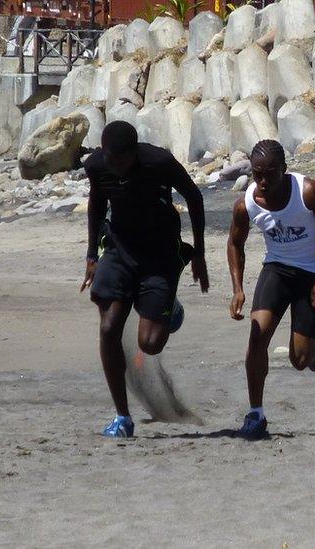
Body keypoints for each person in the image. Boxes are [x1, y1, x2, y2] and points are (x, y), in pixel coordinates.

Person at [81, 121, 210, 438]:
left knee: (150, 344)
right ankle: (122, 417)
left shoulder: (159, 162)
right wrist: (91, 256)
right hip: (120, 248)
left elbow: (194, 197)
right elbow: (97, 203)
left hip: (161, 253)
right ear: (105, 153)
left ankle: (171, 309)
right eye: (112, 160)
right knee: (109, 326)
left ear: (134, 153)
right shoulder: (97, 165)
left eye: (124, 161)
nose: (118, 167)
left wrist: (201, 255)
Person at [227, 139, 315, 440]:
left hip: (311, 275)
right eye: (257, 174)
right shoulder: (247, 204)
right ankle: (255, 414)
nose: (263, 182)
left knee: (301, 361)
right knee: (257, 337)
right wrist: (237, 289)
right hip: (277, 269)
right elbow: (235, 243)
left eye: (271, 173)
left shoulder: (308, 192)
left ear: (284, 169)